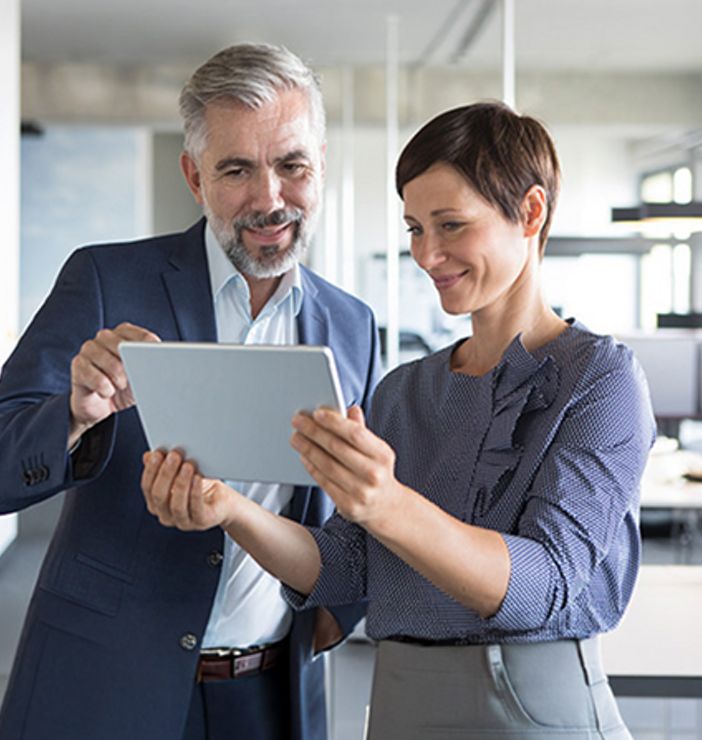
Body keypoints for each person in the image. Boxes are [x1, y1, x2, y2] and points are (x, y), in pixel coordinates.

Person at [142, 101, 655, 739]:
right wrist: (229, 509)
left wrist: (386, 503)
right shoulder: (405, 389)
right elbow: (346, 568)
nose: (427, 254)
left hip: (535, 704)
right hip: (400, 701)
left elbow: (546, 583)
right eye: (415, 228)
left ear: (530, 212)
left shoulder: (599, 379)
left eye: (450, 225)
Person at [0, 43, 381, 740]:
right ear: (194, 175)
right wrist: (73, 416)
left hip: (273, 697)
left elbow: (349, 512)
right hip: (106, 686)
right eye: (236, 169)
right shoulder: (106, 283)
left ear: (321, 164)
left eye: (292, 165)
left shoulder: (351, 326)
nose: (269, 198)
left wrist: (340, 608)